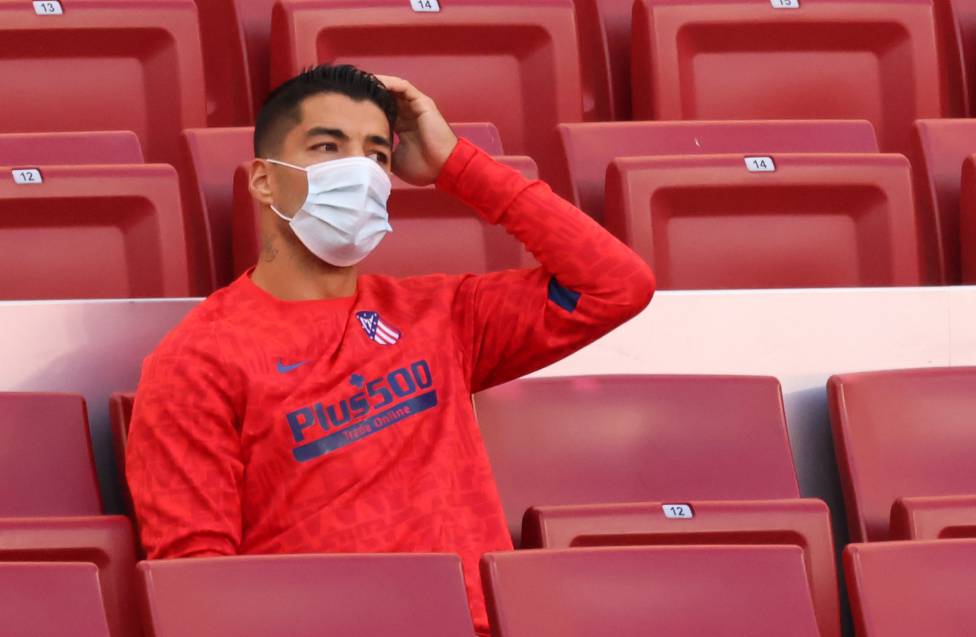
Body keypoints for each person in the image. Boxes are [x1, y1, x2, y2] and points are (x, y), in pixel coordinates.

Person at [127, 64, 655, 635]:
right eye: (328, 146)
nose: (358, 171)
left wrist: (457, 164)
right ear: (264, 180)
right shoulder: (196, 359)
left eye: (376, 155)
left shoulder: (441, 315)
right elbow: (198, 584)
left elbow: (616, 285)